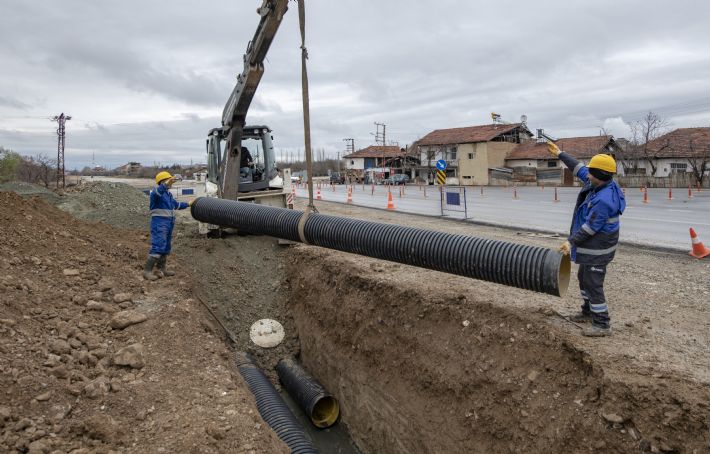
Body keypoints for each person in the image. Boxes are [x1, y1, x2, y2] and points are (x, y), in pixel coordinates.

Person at [548, 142, 625, 337]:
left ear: (599, 175)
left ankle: (602, 324)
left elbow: (590, 228)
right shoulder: (599, 183)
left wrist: (570, 242)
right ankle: (588, 312)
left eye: (591, 172)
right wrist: (560, 154)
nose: (587, 174)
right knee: (583, 278)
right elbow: (578, 168)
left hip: (598, 249)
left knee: (593, 284)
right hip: (593, 247)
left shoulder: (604, 200)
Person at [143, 171, 191, 280]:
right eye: (169, 181)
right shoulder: (156, 192)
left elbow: (177, 205)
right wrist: (165, 184)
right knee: (158, 245)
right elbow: (157, 193)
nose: (171, 183)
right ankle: (147, 271)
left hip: (168, 224)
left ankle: (162, 269)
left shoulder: (168, 195)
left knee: (165, 247)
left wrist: (189, 204)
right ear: (163, 182)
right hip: (159, 223)